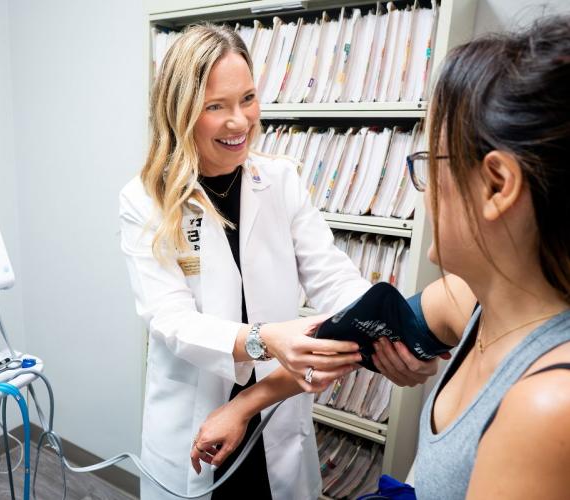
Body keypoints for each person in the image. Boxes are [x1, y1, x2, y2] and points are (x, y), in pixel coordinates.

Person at [192, 15, 570, 500]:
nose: (425, 189)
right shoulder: (463, 301)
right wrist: (244, 406)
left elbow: (337, 285)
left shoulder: (546, 406)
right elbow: (354, 330)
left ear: (498, 185)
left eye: (434, 161)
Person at [119, 24, 437, 500]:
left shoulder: (280, 180)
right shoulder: (145, 200)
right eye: (216, 107)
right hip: (194, 417)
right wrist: (263, 339)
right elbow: (170, 320)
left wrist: (385, 330)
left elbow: (329, 273)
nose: (240, 121)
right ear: (180, 113)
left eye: (247, 98)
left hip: (274, 416)